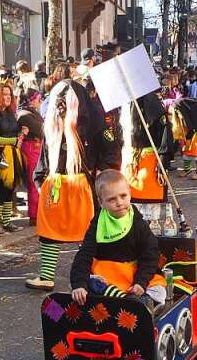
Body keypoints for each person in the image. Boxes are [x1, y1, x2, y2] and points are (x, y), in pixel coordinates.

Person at [25, 79, 103, 290]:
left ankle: (94, 273)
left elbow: (105, 155)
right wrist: (40, 180)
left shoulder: (90, 128)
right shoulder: (51, 128)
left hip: (80, 187)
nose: (61, 107)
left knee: (86, 233)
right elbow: (43, 158)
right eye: (58, 103)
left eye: (66, 103)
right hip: (55, 186)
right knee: (49, 232)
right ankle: (46, 276)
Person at [70, 169, 166, 312]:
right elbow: (84, 256)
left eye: (123, 196)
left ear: (130, 193)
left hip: (134, 275)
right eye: (111, 199)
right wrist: (79, 285)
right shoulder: (97, 226)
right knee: (91, 284)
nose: (119, 203)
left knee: (159, 290)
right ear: (101, 202)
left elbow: (150, 255)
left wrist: (141, 282)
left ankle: (139, 302)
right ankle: (127, 301)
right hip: (108, 277)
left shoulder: (138, 224)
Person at [121, 91, 173, 234]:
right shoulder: (124, 104)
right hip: (130, 161)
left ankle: (150, 235)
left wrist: (163, 161)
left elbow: (164, 134)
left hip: (150, 161)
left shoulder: (152, 103)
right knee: (131, 204)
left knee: (151, 206)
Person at [0, 83, 23, 235]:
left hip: (13, 155)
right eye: (4, 94)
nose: (8, 97)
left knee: (10, 189)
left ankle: (6, 222)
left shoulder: (10, 113)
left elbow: (12, 132)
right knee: (0, 189)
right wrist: (11, 141)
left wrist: (20, 135)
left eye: (9, 94)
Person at [17, 88, 44, 224]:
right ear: (32, 100)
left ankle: (38, 211)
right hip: (30, 148)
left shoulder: (31, 113)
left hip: (36, 147)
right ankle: (34, 214)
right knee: (34, 181)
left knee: (36, 180)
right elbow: (41, 130)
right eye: (39, 99)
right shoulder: (25, 115)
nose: (41, 102)